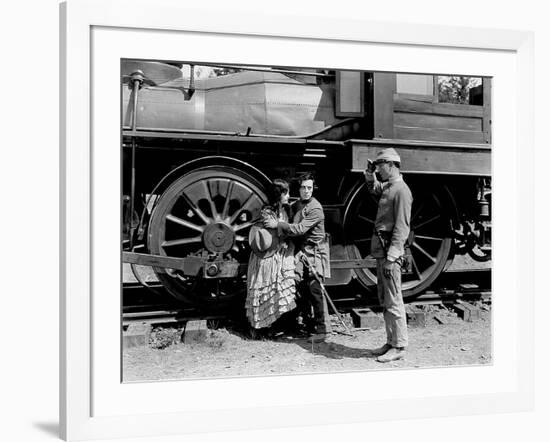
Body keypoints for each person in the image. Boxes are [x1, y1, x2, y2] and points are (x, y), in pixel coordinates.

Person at [264, 173, 332, 343]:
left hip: (316, 253)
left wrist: (278, 224)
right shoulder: (297, 204)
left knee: (315, 290)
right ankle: (309, 326)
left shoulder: (315, 208)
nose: (306, 191)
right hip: (303, 252)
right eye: (303, 187)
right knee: (302, 289)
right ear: (299, 188)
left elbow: (300, 229)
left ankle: (322, 330)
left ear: (313, 188)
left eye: (309, 188)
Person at [364, 148, 413, 362]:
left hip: (389, 253)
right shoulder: (390, 186)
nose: (378, 169)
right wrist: (369, 174)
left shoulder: (402, 191)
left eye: (380, 166)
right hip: (382, 251)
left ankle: (400, 346)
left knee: (394, 299)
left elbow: (402, 227)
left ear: (391, 165)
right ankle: (391, 341)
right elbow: (375, 189)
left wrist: (393, 256)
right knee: (385, 298)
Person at [245, 179, 297, 336]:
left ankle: (273, 325)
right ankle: (260, 327)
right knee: (265, 290)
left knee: (276, 290)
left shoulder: (283, 210)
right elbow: (277, 230)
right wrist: (284, 227)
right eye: (285, 193)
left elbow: (281, 228)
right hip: (267, 257)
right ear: (278, 194)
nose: (288, 196)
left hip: (278, 253)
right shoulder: (268, 212)